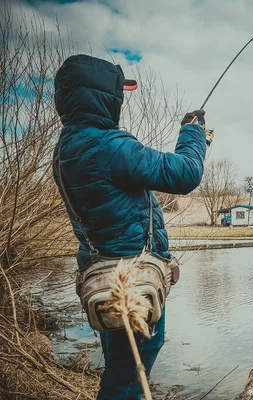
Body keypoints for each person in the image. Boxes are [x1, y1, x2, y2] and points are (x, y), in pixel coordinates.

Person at [52, 54, 208, 399]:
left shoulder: (65, 149)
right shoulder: (110, 146)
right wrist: (194, 133)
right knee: (128, 372)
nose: (121, 103)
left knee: (121, 364)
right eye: (119, 96)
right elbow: (185, 173)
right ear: (106, 99)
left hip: (102, 273)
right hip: (132, 278)